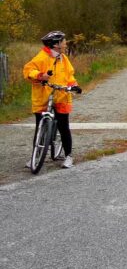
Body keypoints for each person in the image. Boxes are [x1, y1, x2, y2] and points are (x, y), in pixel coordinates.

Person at [22, 31, 82, 169]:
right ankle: (36, 156)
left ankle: (68, 156)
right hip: (43, 96)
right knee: (40, 128)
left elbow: (69, 76)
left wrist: (74, 86)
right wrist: (40, 75)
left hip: (61, 95)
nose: (66, 43)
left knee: (63, 126)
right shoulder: (41, 57)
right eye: (64, 41)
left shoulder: (64, 58)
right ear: (56, 44)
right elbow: (28, 70)